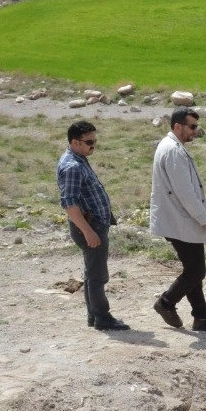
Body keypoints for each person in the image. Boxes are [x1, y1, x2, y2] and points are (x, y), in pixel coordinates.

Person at [150, 107, 206, 331]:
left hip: (179, 219)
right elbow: (184, 192)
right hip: (180, 220)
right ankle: (166, 302)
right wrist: (204, 218)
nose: (195, 131)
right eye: (192, 126)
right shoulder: (173, 150)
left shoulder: (174, 148)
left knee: (193, 269)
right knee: (195, 271)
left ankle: (202, 317)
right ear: (178, 126)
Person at [56, 121, 129, 331]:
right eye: (89, 142)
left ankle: (94, 316)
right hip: (89, 226)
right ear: (75, 142)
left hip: (93, 225)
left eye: (95, 141)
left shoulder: (79, 158)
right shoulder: (72, 166)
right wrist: (88, 231)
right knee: (97, 275)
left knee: (92, 273)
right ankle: (102, 317)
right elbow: (69, 204)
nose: (93, 146)